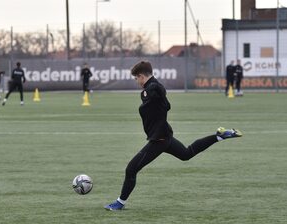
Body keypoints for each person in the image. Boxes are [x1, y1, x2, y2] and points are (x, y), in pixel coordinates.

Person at [104, 60, 242, 211]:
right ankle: (219, 136)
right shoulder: (151, 88)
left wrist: (153, 93)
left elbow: (158, 92)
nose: (136, 81)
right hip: (165, 136)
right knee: (187, 153)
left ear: (142, 76)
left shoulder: (151, 88)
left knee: (131, 169)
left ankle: (120, 203)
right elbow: (166, 104)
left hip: (159, 139)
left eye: (136, 78)